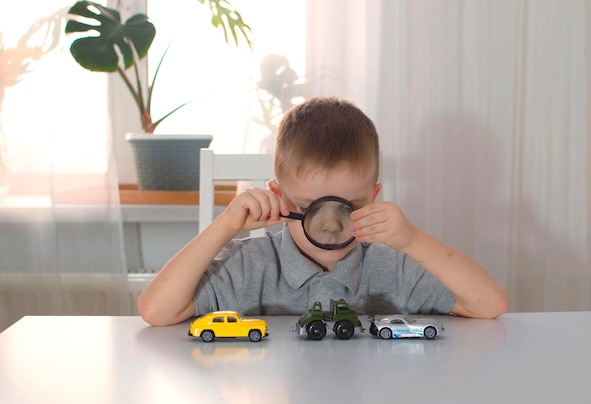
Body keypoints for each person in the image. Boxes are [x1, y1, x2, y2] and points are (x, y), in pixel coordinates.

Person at [138, 97, 507, 326]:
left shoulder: (392, 265)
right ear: (279, 197)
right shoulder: (251, 263)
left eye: (350, 207)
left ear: (374, 198)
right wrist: (225, 226)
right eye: (307, 207)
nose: (330, 226)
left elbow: (489, 304)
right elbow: (157, 312)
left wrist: (413, 240)